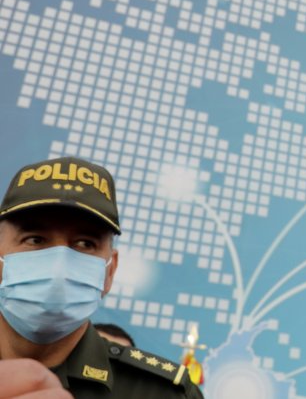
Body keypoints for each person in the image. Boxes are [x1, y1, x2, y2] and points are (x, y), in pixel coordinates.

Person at [0, 157, 203, 398]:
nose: (59, 265)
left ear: (110, 271)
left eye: (85, 243)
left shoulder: (163, 394)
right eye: (35, 239)